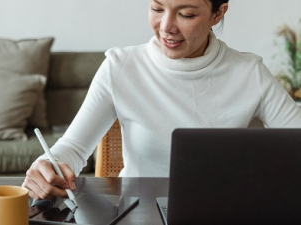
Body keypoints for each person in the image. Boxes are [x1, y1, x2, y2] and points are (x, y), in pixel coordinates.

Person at [22, 0, 301, 200]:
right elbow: (72, 148)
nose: (166, 27)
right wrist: (47, 166)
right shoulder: (120, 67)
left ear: (218, 13)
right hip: (138, 214)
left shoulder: (249, 73)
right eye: (156, 8)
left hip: (225, 212)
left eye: (187, 14)